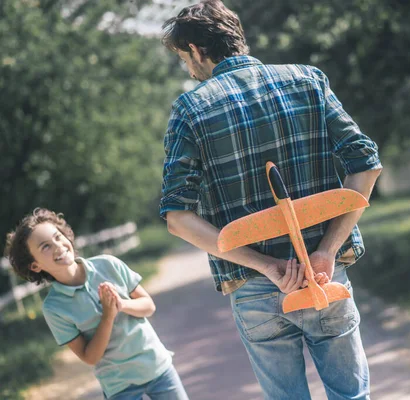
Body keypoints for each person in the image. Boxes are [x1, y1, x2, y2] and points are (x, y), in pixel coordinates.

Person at [159, 1, 382, 399]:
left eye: (183, 58)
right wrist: (328, 249)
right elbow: (366, 165)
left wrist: (267, 267)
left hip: (256, 286)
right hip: (322, 273)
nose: (188, 69)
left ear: (195, 49)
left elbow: (177, 216)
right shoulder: (307, 80)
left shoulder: (191, 108)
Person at [4, 208, 189, 400]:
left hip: (156, 367)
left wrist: (121, 305)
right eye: (45, 247)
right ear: (35, 265)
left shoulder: (108, 264)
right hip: (119, 386)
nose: (58, 246)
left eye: (57, 237)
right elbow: (90, 357)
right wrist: (107, 317)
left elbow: (149, 306)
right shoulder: (54, 308)